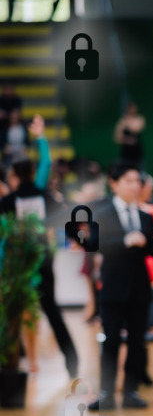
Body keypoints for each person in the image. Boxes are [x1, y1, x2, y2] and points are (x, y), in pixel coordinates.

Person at [0, 114, 78, 378]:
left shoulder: (8, 201)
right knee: (53, 312)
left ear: (12, 176)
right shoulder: (43, 193)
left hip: (15, 265)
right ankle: (73, 363)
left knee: (11, 316)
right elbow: (46, 161)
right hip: (43, 261)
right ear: (33, 174)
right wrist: (40, 136)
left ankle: (8, 369)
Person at [88, 163, 153, 410]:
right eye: (129, 181)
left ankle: (132, 391)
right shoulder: (101, 213)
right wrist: (125, 241)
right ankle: (107, 393)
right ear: (114, 183)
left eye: (138, 181)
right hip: (113, 285)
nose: (135, 186)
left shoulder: (146, 216)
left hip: (139, 286)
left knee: (136, 342)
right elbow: (95, 243)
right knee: (110, 342)